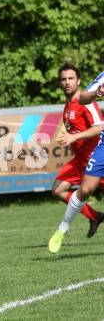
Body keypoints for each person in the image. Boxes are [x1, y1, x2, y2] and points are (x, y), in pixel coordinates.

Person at [48, 68, 104, 253]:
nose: (67, 82)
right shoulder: (69, 104)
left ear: (78, 80)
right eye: (63, 79)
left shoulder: (85, 104)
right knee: (58, 189)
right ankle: (93, 216)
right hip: (80, 159)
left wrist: (74, 137)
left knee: (85, 189)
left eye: (71, 78)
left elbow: (99, 127)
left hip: (95, 155)